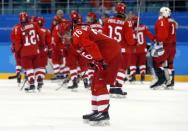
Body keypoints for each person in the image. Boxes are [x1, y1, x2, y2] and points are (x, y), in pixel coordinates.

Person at [70, 19, 122, 125]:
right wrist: (93, 62)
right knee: (94, 82)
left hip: (110, 54)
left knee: (100, 82)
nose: (63, 37)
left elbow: (90, 46)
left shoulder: (77, 32)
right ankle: (96, 110)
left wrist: (99, 60)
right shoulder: (78, 34)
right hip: (107, 54)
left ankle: (103, 113)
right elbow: (90, 48)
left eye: (64, 33)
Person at [103, 2, 135, 96]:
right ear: (124, 11)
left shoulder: (108, 21)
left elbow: (103, 35)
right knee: (121, 69)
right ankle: (117, 88)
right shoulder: (126, 23)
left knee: (114, 69)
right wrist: (134, 38)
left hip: (110, 50)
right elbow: (130, 41)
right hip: (122, 50)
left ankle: (113, 88)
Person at [14, 12, 44, 91]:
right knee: (37, 67)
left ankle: (31, 84)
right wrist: (41, 45)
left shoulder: (18, 28)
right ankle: (39, 78)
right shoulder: (34, 24)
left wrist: (18, 52)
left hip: (25, 52)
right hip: (35, 50)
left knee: (29, 69)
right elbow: (41, 35)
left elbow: (17, 42)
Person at [130, 15, 155, 82]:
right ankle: (142, 75)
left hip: (133, 49)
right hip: (142, 49)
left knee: (132, 63)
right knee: (142, 63)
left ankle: (133, 76)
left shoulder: (130, 28)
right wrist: (154, 39)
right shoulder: (143, 27)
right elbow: (149, 35)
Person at [151, 7, 171, 89]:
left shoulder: (162, 21)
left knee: (156, 61)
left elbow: (162, 35)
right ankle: (166, 80)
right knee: (162, 62)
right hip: (165, 44)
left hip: (162, 44)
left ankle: (161, 80)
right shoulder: (165, 21)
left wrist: (158, 41)